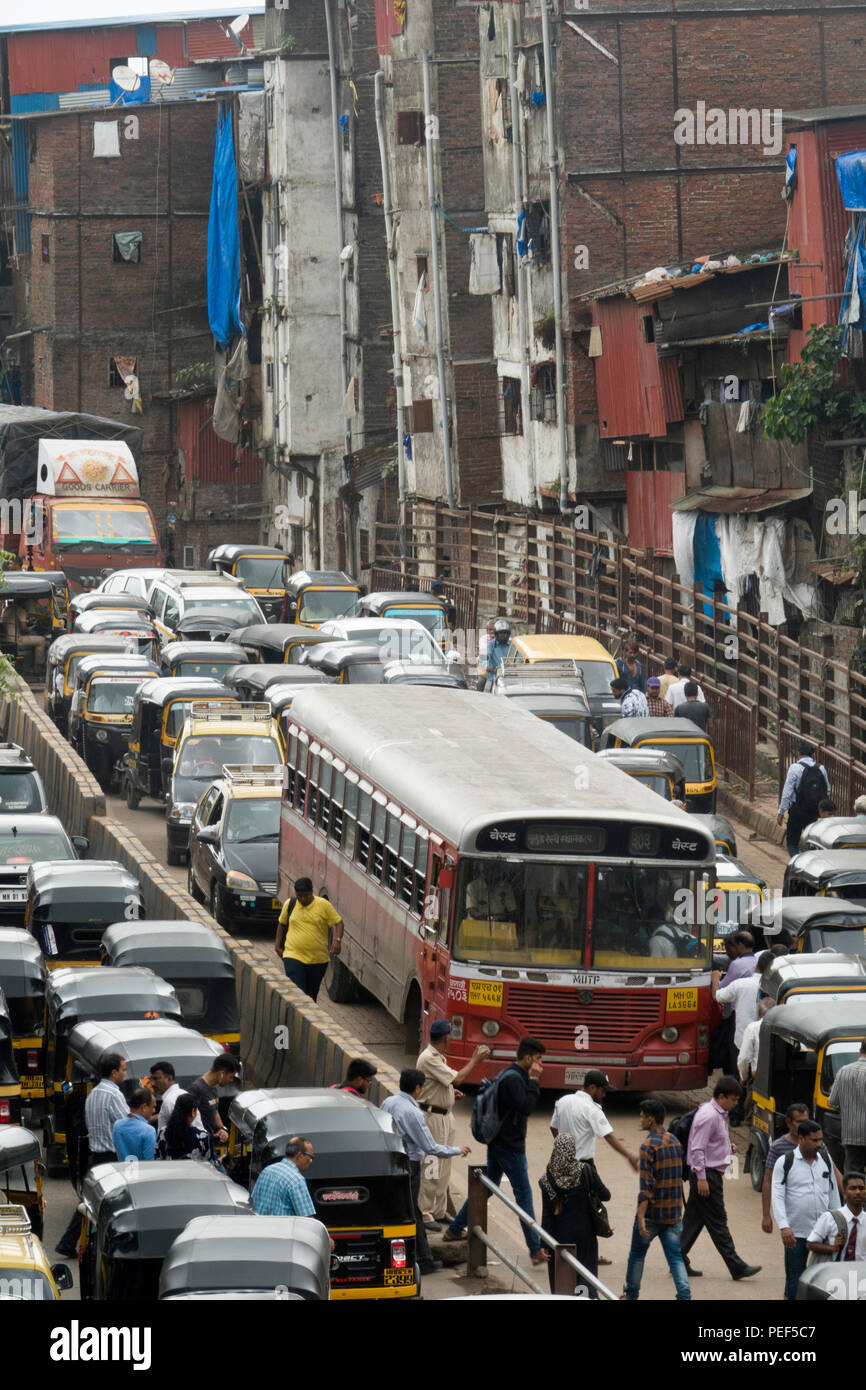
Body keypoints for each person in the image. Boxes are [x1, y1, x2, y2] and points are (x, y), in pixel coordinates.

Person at [445, 1038, 547, 1264]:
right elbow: (527, 1107)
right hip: (510, 1147)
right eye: (539, 1059)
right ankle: (535, 1250)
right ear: (528, 1058)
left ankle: (455, 1228)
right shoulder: (516, 1079)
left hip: (499, 1144)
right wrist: (534, 1080)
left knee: (486, 1188)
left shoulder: (509, 1073)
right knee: (524, 1196)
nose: (541, 1064)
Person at [381, 1068, 470, 1275]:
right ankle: (424, 1259)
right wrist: (457, 1150)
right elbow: (431, 1147)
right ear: (418, 1088)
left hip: (390, 1162)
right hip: (408, 1166)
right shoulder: (414, 1113)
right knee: (413, 1212)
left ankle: (418, 1257)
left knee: (401, 1210)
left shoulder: (389, 1102)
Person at [680, 1075, 761, 1281]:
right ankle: (736, 1266)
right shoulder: (709, 1116)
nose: (736, 1104)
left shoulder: (717, 1113)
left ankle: (677, 1259)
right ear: (722, 1096)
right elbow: (697, 1148)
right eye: (733, 1099)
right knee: (718, 1222)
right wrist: (702, 1178)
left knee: (693, 1221)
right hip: (707, 1175)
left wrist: (727, 1148)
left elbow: (710, 1144)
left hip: (708, 1172)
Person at [53, 1050, 128, 1258]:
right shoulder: (114, 1094)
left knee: (89, 1202)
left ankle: (68, 1242)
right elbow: (126, 1124)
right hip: (111, 1157)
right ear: (114, 1072)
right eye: (123, 1069)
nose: (125, 1074)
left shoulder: (93, 1095)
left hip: (95, 1156)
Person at [416, 1022, 490, 1231]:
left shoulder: (438, 1058)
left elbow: (443, 1084)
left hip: (444, 1116)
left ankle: (439, 1211)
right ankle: (426, 1212)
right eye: (451, 1036)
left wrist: (449, 1094)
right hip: (432, 1118)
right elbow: (458, 1078)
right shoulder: (429, 1058)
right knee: (431, 1166)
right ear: (446, 1038)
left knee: (444, 1166)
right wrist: (475, 1059)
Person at [622, 1099, 690, 1301]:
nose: (640, 1120)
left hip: (652, 1214)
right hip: (673, 1214)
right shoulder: (675, 1141)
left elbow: (646, 1187)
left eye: (642, 1116)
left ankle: (631, 1295)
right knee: (675, 1257)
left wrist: (641, 1218)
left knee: (637, 1255)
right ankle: (684, 1295)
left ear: (651, 1119)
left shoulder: (647, 1146)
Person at [771, 1120, 841, 1299]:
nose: (819, 1144)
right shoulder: (785, 1162)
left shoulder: (825, 1159)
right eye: (814, 1140)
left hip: (824, 1233)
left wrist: (839, 1222)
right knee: (796, 1279)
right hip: (796, 1233)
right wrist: (784, 1226)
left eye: (820, 1140)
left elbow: (832, 1193)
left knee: (825, 1277)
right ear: (801, 1139)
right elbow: (777, 1196)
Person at [539, 1134, 604, 1296]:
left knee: (562, 1285)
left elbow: (547, 1216)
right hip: (585, 1235)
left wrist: (543, 1244)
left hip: (559, 1239)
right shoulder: (585, 1170)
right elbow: (606, 1195)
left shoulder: (546, 1180)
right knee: (586, 1280)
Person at [550, 1070, 639, 1170]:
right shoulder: (592, 1108)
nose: (604, 1095)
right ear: (592, 1088)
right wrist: (629, 1156)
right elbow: (609, 1136)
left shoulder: (563, 1100)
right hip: (583, 1166)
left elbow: (553, 1127)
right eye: (603, 1090)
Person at [275, 876, 343, 1000]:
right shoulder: (290, 904)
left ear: (312, 892)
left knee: (310, 997)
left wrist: (337, 941)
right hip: (293, 955)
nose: (302, 899)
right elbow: (282, 924)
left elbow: (339, 923)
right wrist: (277, 946)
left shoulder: (323, 905)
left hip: (318, 960)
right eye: (299, 896)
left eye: (306, 895)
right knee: (297, 994)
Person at [761, 1103, 811, 1235]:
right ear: (788, 1123)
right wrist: (766, 1215)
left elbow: (833, 1173)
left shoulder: (817, 1144)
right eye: (799, 1122)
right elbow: (767, 1180)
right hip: (792, 1214)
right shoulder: (778, 1147)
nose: (803, 1126)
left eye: (806, 1121)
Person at [777, 741, 830, 857]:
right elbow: (827, 790)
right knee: (813, 841)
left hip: (798, 809)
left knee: (792, 842)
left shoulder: (795, 768)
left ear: (799, 753)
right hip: (816, 811)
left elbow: (787, 792)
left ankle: (796, 863)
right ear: (812, 755)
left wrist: (781, 811)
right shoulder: (821, 768)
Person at [807, 1171, 866, 1263]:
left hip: (861, 1274)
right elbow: (811, 1244)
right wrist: (833, 1248)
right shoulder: (830, 1218)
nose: (858, 1192)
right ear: (844, 1193)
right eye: (853, 1188)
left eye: (861, 1188)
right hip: (835, 1273)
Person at [251, 1136, 317, 1216]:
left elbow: (253, 1202)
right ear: (300, 1156)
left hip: (260, 1227)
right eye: (311, 1157)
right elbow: (307, 1220)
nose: (311, 1161)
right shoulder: (296, 1180)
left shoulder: (267, 1171)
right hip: (282, 1228)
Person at [186, 1052, 240, 1150]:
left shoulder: (213, 1089)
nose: (231, 1080)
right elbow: (187, 1119)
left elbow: (214, 1111)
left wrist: (222, 1128)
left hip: (209, 1146)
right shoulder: (196, 1090)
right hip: (198, 1149)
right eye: (231, 1077)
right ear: (222, 1073)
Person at [828, 1038, 866, 1173]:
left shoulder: (843, 1071)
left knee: (852, 1174)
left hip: (851, 1133)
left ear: (860, 1050)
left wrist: (848, 1111)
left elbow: (832, 1101)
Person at [160, 1094, 212, 1161]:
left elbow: (158, 1158)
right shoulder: (203, 1136)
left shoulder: (163, 1133)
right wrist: (219, 1161)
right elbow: (210, 1165)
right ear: (193, 1112)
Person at [113, 1087, 157, 1161]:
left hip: (123, 1171)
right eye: (153, 1107)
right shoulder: (149, 1130)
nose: (154, 1110)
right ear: (144, 1107)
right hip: (141, 1172)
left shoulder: (117, 1125)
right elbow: (149, 1163)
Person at [149, 1060, 183, 1136]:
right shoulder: (181, 1094)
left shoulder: (170, 1101)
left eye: (156, 1078)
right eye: (151, 1079)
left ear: (169, 1078)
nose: (152, 1083)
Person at [480, 618, 511, 691]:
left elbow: (518, 659)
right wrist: (486, 665)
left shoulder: (513, 645)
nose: (503, 635)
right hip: (493, 676)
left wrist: (513, 667)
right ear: (496, 633)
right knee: (486, 692)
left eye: (505, 633)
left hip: (510, 676)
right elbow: (486, 656)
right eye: (501, 633)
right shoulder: (491, 644)